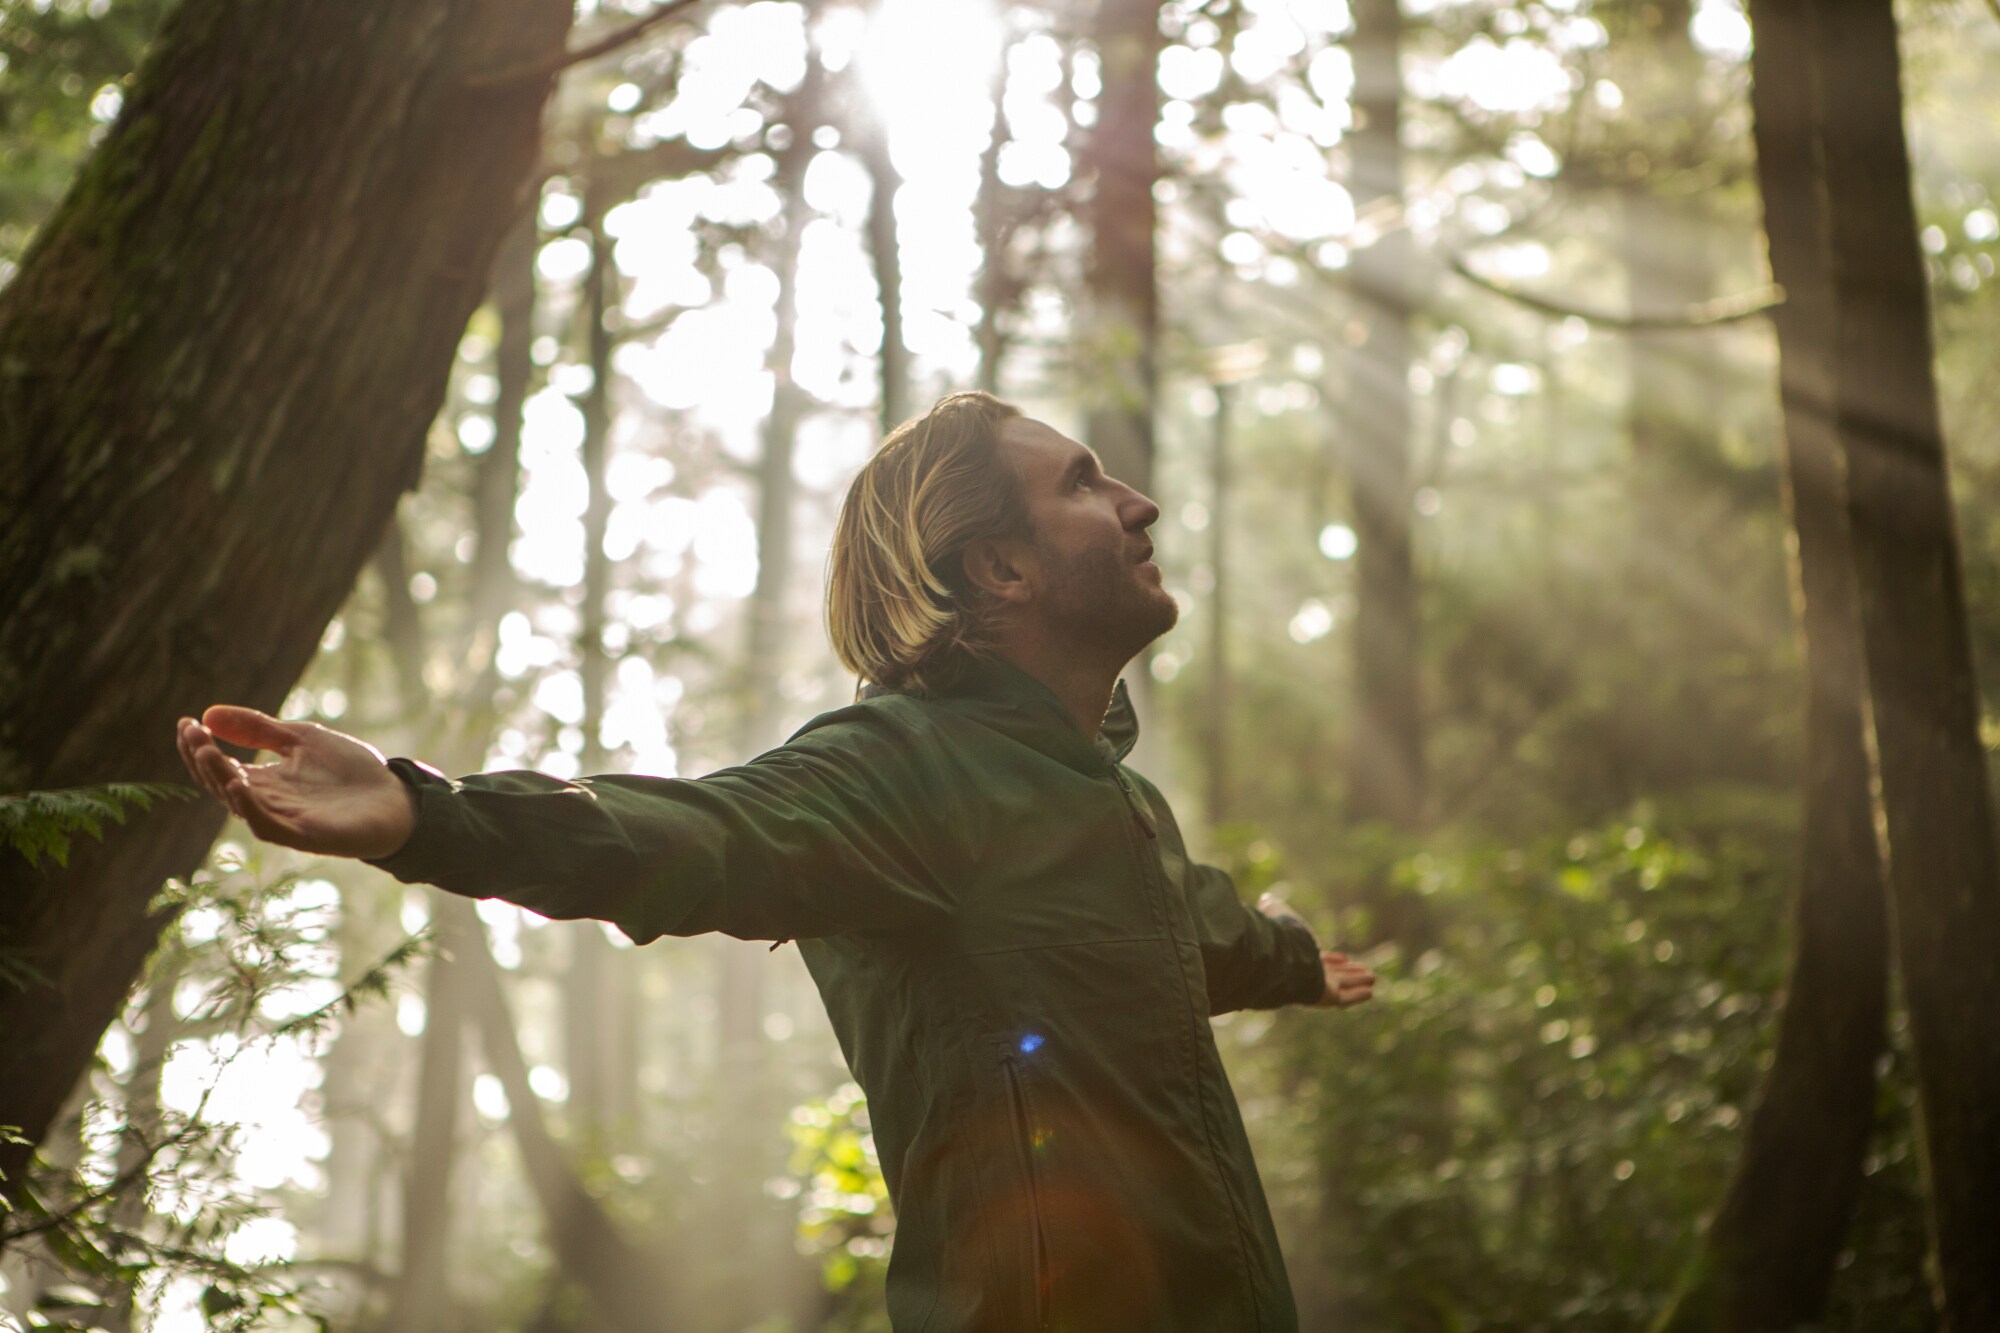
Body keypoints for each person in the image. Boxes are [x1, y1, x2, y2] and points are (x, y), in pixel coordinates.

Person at [176, 391, 1375, 1331]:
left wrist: (1294, 960)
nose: (1137, 503)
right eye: (1080, 483)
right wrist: (426, 813)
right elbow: (704, 832)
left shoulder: (1122, 808)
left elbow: (1193, 926)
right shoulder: (906, 770)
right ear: (998, 569)